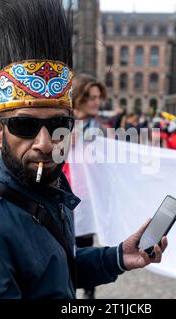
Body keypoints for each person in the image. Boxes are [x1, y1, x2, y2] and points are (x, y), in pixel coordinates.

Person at [0, 0, 168, 299]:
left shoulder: (50, 186)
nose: (45, 143)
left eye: (59, 124)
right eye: (24, 126)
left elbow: (52, 269)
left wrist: (116, 258)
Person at [70, 73, 107, 299]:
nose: (97, 102)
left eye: (98, 97)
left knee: (86, 243)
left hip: (87, 193)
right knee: (64, 243)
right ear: (79, 98)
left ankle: (89, 290)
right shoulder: (61, 122)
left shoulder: (99, 127)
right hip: (63, 192)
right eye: (92, 97)